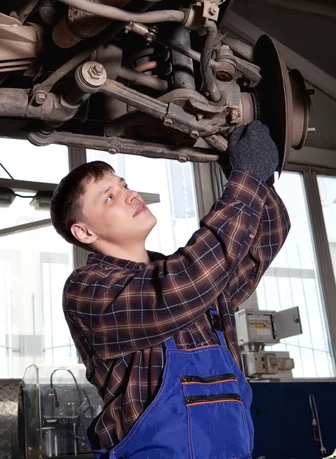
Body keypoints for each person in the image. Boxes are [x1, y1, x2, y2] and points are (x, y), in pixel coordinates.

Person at [50, 120, 290, 459]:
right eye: (110, 197)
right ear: (85, 232)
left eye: (124, 185)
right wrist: (247, 179)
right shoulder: (88, 290)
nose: (131, 194)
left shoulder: (194, 276)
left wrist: (258, 173)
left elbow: (261, 242)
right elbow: (183, 285)